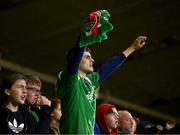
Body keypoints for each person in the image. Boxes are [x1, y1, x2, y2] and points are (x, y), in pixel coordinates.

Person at [56, 10, 147, 134]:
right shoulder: (68, 78)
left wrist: (132, 48)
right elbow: (77, 54)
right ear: (77, 60)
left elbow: (108, 67)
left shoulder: (90, 80)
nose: (92, 59)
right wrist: (85, 34)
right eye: (87, 57)